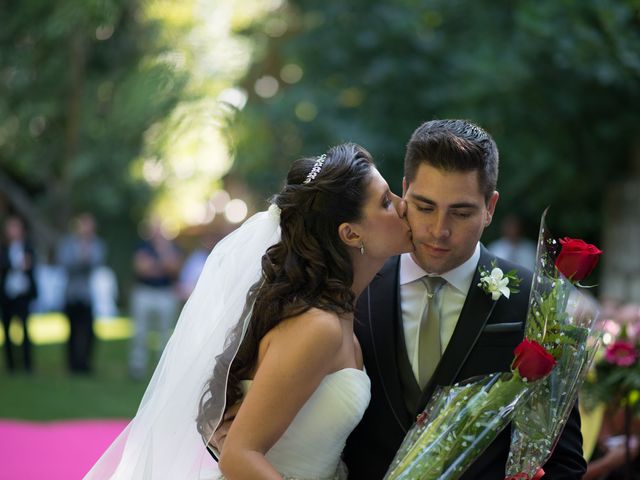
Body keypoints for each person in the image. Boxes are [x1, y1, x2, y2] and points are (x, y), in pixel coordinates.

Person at [84, 143, 413, 479]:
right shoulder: (318, 326)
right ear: (350, 232)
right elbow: (239, 456)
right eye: (386, 201)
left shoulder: (337, 314)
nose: (404, 207)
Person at [342, 119, 587, 479]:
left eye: (461, 212)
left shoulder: (537, 302)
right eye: (425, 207)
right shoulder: (354, 288)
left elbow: (564, 462)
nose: (439, 230)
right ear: (404, 191)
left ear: (490, 207)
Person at [128, 220, 182, 379]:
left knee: (165, 332)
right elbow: (142, 269)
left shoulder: (172, 248)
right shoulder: (142, 247)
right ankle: (137, 367)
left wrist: (160, 260)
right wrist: (163, 266)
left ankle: (162, 368)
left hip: (165, 293)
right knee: (140, 331)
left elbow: (174, 269)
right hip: (144, 292)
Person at [57, 213, 106, 373]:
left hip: (87, 295)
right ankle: (72, 365)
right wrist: (82, 260)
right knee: (71, 330)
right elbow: (65, 263)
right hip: (71, 293)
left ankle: (85, 363)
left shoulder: (97, 244)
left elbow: (96, 262)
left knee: (89, 331)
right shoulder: (68, 243)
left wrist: (83, 261)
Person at [0, 215, 38, 372]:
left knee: (25, 329)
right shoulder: (3, 249)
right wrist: (16, 265)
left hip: (23, 295)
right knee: (7, 330)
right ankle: (11, 365)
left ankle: (27, 365)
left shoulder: (28, 248)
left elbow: (32, 267)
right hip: (7, 295)